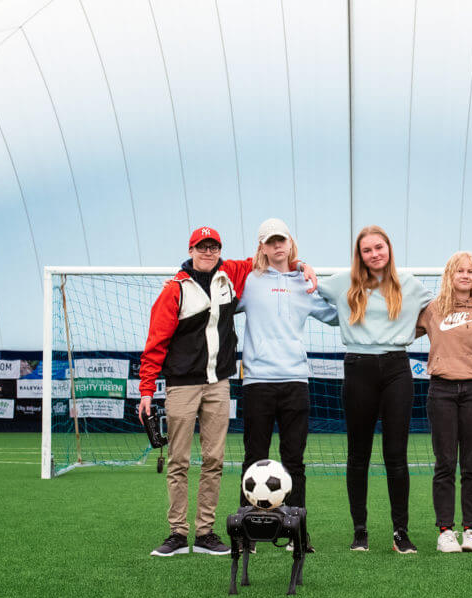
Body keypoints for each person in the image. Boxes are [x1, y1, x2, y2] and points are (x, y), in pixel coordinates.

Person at [138, 226, 316, 557]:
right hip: (182, 384)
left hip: (219, 383)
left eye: (213, 247)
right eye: (201, 247)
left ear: (219, 250)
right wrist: (146, 389)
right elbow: (156, 341)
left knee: (214, 460)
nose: (208, 252)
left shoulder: (232, 274)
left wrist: (301, 263)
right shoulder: (174, 290)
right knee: (178, 460)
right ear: (191, 250)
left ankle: (205, 533)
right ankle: (178, 533)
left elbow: (270, 255)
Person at [317, 225, 434, 554]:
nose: (374, 254)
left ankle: (401, 533)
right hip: (358, 369)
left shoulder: (409, 284)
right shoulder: (344, 282)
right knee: (358, 455)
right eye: (367, 250)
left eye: (379, 247)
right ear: (360, 255)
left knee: (396, 456)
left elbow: (439, 310)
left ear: (389, 249)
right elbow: (306, 286)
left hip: (397, 369)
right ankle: (360, 532)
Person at [237, 218, 338, 552]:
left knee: (294, 461)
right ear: (262, 247)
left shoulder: (304, 283)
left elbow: (337, 315)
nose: (277, 246)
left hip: (295, 381)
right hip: (257, 383)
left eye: (281, 240)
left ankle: (298, 534)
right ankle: (249, 534)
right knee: (254, 459)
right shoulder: (249, 281)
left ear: (290, 243)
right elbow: (219, 299)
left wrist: (315, 278)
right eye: (270, 241)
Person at [415, 251, 472, 553]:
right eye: (459, 271)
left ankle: (471, 530)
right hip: (441, 391)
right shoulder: (433, 309)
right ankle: (445, 531)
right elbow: (400, 330)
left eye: (471, 272)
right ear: (449, 275)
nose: (465, 276)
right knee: (445, 463)